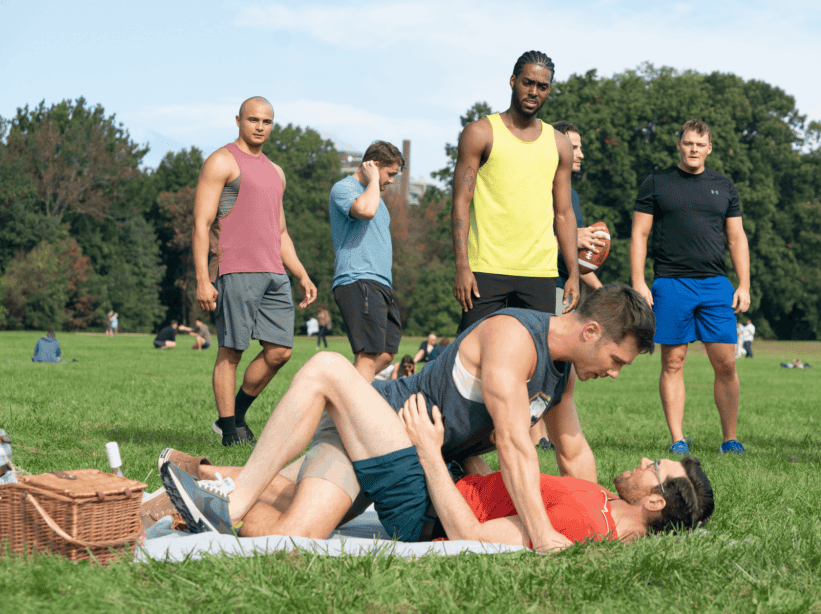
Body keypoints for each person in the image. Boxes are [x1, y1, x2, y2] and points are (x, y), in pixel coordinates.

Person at [159, 284, 655, 552]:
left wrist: (600, 516)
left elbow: (572, 451)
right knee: (328, 366)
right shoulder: (513, 339)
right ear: (591, 330)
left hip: (402, 459)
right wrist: (542, 533)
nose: (613, 374)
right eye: (616, 361)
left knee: (294, 534)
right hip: (374, 423)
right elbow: (513, 444)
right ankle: (233, 499)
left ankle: (199, 481)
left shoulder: (561, 372)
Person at [161, 393, 714, 545]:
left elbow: (471, 532)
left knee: (331, 372)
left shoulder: (588, 526)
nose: (642, 461)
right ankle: (203, 477)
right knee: (299, 491)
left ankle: (212, 513)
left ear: (656, 501)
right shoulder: (595, 499)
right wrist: (470, 449)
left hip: (424, 512)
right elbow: (497, 491)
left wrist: (429, 451)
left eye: (653, 468)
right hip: (448, 478)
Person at [193, 96, 317, 447]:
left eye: (266, 121)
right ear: (238, 121)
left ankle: (235, 415)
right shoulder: (222, 161)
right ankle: (230, 433)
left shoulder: (276, 172)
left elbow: (280, 233)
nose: (260, 126)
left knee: (280, 351)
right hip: (236, 269)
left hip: (274, 273)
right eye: (253, 120)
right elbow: (201, 225)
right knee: (231, 352)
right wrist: (203, 279)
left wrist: (302, 275)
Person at [630, 119, 751, 455]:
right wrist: (639, 281)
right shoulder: (657, 183)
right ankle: (678, 439)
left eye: (700, 144)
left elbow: (736, 237)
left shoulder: (724, 186)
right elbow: (640, 234)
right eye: (688, 143)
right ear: (679, 145)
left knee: (726, 362)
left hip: (715, 285)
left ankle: (730, 438)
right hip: (670, 283)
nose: (694, 149)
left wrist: (744, 284)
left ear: (709, 148)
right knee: (673, 362)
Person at [451, 51, 580, 333]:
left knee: (536, 365)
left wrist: (573, 273)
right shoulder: (480, 133)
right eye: (528, 82)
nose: (534, 92)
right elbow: (461, 201)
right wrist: (462, 265)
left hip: (539, 273)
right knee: (470, 362)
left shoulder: (559, 145)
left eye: (542, 87)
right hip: (485, 269)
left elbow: (564, 212)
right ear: (513, 81)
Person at [329, 141, 404, 382]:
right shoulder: (344, 188)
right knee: (368, 354)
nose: (391, 180)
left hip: (380, 284)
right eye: (389, 173)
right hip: (358, 279)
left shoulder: (376, 199)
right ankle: (358, 417)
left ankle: (337, 401)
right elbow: (365, 211)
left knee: (386, 354)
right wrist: (373, 179)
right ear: (373, 165)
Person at [551, 120, 605, 314]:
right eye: (574, 148)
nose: (581, 155)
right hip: (544, 288)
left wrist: (601, 291)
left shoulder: (572, 196)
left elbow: (572, 255)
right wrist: (571, 238)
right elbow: (523, 241)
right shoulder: (538, 190)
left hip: (567, 289)